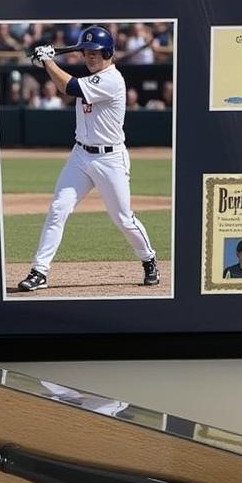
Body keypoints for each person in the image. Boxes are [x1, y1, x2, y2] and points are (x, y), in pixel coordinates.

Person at [17, 25, 159, 292]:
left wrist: (47, 59)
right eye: (86, 52)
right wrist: (49, 61)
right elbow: (68, 82)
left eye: (95, 52)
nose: (90, 56)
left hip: (110, 159)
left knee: (123, 218)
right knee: (58, 209)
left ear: (107, 53)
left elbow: (67, 86)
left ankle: (149, 259)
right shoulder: (92, 77)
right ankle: (40, 271)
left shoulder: (112, 80)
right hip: (81, 155)